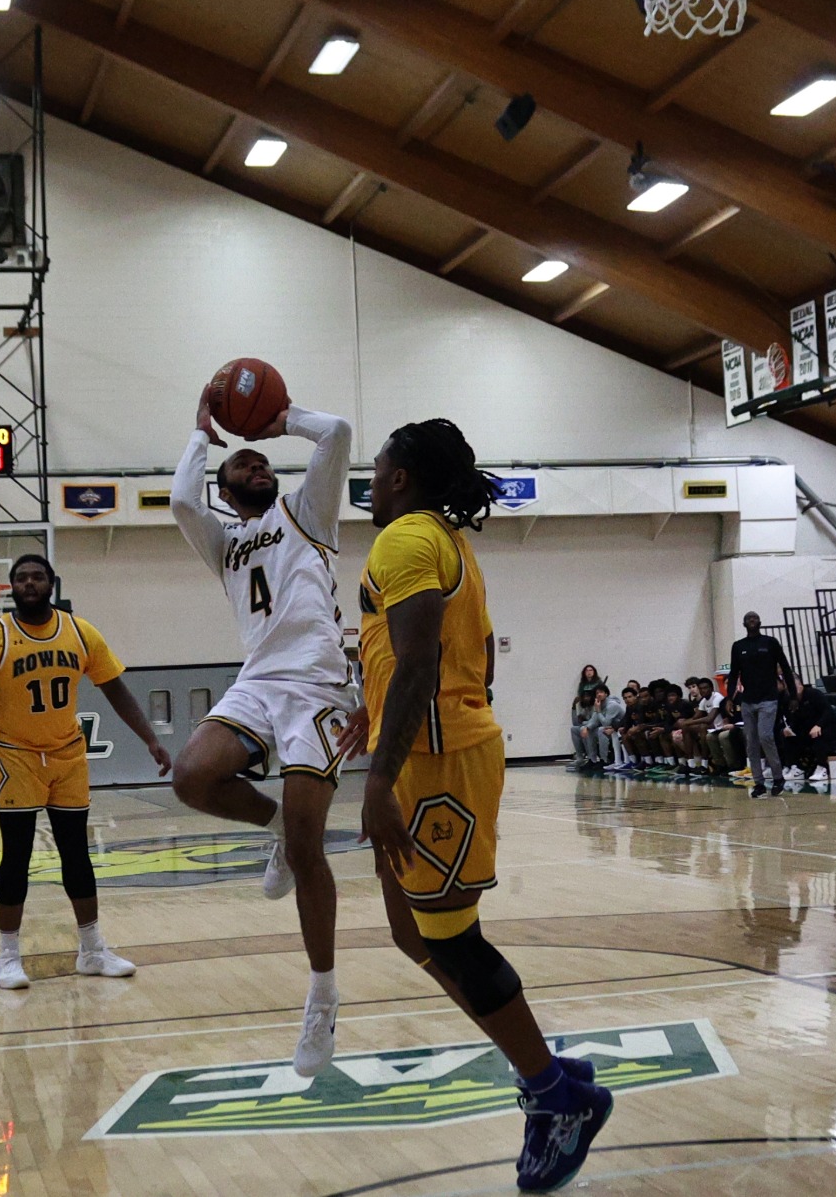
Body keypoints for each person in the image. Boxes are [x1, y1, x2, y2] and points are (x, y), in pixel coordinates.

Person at [354, 418, 612, 1191]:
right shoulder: (444, 541)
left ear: (402, 476)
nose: (371, 478)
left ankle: (554, 1095)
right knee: (412, 932)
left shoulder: (405, 539)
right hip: (427, 749)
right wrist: (372, 714)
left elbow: (421, 662)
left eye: (378, 466)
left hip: (435, 762)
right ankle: (547, 1069)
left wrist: (379, 779)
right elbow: (458, 658)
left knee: (454, 940)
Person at [168, 389, 358, 1074]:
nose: (257, 465)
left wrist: (284, 421)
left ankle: (322, 997)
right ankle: (276, 825)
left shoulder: (307, 511)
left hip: (316, 685)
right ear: (224, 488)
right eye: (242, 463)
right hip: (257, 681)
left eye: (263, 461)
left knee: (310, 847)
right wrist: (200, 434)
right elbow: (181, 502)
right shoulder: (222, 541)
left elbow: (337, 431)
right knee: (191, 776)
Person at [0, 555, 171, 989]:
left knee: (76, 854)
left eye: (37, 576)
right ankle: (8, 956)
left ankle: (92, 951)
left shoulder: (80, 632)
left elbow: (115, 688)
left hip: (67, 756)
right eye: (21, 578)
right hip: (16, 757)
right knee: (17, 856)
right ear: (10, 587)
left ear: (52, 583)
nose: (29, 583)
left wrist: (150, 738)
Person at [728, 611, 798, 799]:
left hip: (768, 698)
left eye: (755, 618)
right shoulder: (738, 646)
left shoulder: (770, 642)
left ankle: (778, 778)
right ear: (744, 624)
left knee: (765, 736)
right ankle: (758, 783)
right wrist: (729, 698)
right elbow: (734, 674)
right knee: (750, 741)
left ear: (760, 622)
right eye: (748, 618)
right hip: (747, 700)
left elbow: (786, 669)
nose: (752, 620)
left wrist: (792, 695)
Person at [779, 684, 836, 782]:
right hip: (806, 730)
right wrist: (789, 728)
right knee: (787, 736)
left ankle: (822, 768)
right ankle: (795, 768)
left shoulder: (814, 693)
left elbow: (828, 711)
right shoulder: (790, 700)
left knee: (817, 735)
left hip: (825, 727)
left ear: (800, 686)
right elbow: (793, 718)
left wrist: (819, 725)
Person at [673, 677, 721, 777]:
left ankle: (705, 764)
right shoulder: (703, 701)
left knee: (702, 726)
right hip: (710, 727)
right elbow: (695, 717)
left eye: (705, 688)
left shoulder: (717, 697)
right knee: (686, 728)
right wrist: (685, 723)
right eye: (701, 688)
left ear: (712, 688)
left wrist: (687, 723)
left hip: (720, 726)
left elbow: (709, 719)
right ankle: (691, 764)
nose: (703, 690)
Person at [577, 684, 624, 771]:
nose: (599, 694)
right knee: (589, 730)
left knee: (601, 730)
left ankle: (604, 760)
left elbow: (606, 723)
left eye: (601, 692)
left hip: (619, 730)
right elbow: (594, 721)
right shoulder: (598, 704)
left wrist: (598, 711)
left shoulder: (612, 705)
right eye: (597, 693)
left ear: (606, 694)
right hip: (610, 730)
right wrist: (586, 728)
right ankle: (592, 759)